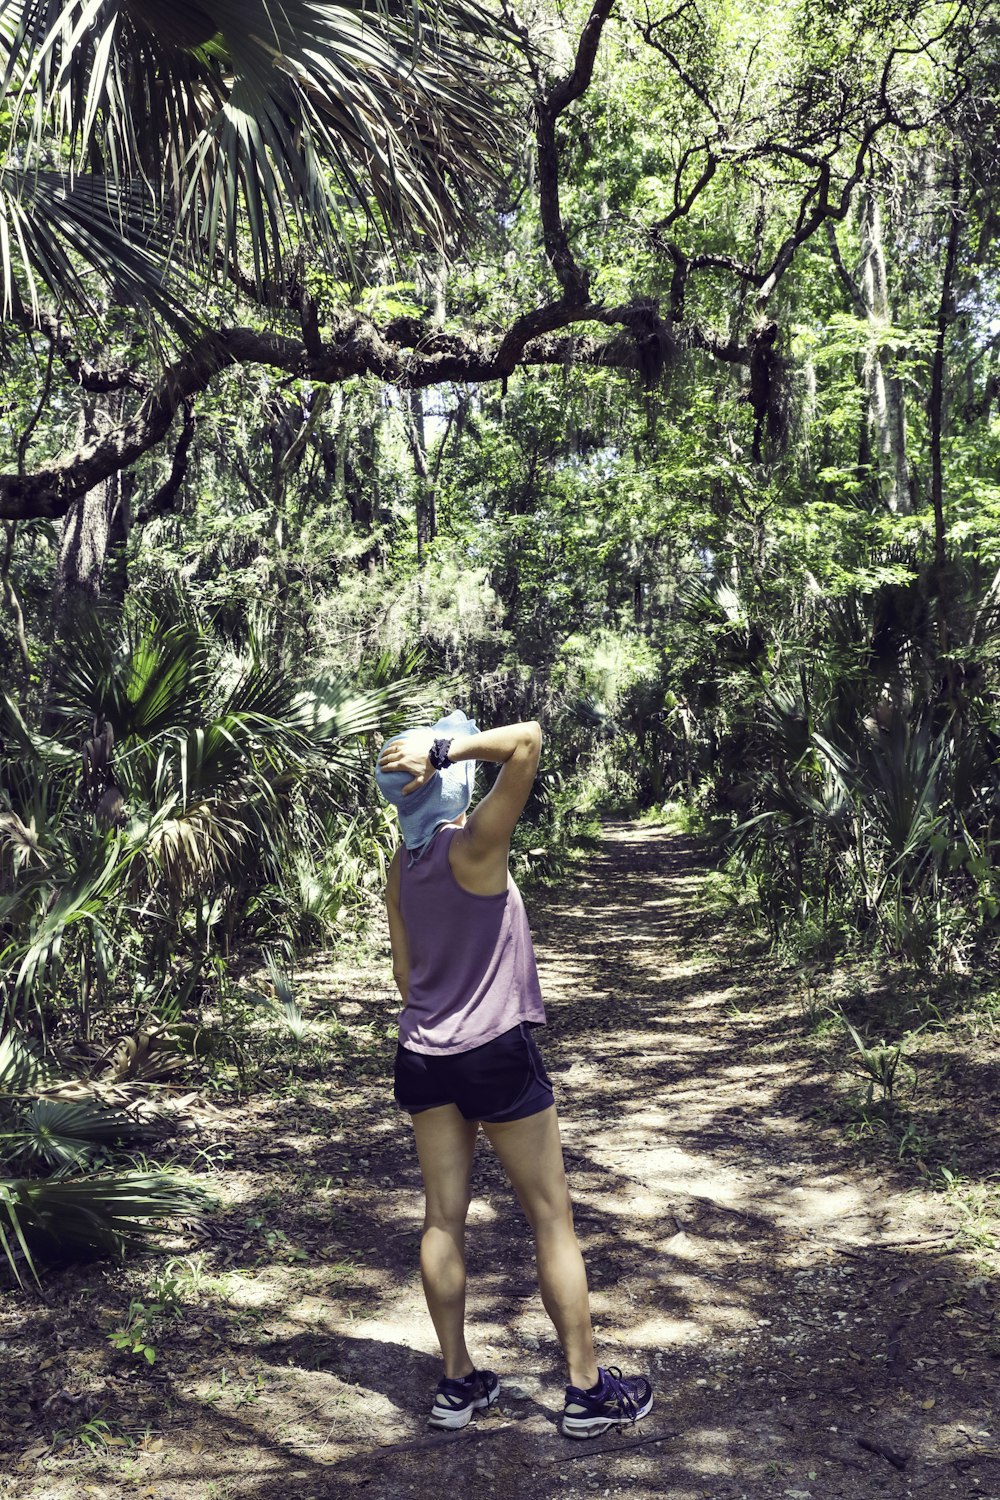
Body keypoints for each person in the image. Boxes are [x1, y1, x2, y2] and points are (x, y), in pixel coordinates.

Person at [375, 710, 653, 1439]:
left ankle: (457, 1383)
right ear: (444, 781)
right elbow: (526, 740)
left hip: (424, 1055)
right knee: (551, 1215)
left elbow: (406, 977)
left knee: (442, 1220)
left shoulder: (399, 868)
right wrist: (444, 746)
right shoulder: (474, 846)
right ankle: (588, 1393)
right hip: (494, 1050)